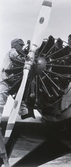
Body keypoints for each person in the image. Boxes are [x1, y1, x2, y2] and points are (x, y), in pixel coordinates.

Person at [0, 38, 29, 167]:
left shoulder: (16, 53)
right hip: (6, 81)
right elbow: (20, 58)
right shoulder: (12, 52)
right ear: (15, 45)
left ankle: (24, 112)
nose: (22, 48)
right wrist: (29, 56)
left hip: (13, 81)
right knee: (1, 100)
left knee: (21, 94)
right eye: (21, 45)